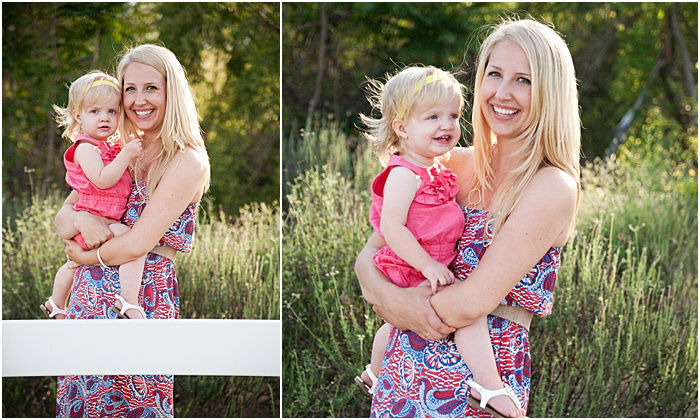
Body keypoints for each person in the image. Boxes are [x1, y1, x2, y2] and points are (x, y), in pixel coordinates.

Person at [355, 18, 580, 418]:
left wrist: (395, 305)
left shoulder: (551, 186)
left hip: (478, 385)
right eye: (494, 74)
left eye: (523, 80)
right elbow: (370, 254)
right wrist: (389, 297)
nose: (502, 93)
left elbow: (472, 302)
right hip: (402, 372)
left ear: (550, 91)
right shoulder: (447, 165)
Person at [353, 66, 524, 417]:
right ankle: (488, 384)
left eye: (453, 115)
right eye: (432, 116)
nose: (446, 125)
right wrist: (427, 265)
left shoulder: (435, 169)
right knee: (469, 318)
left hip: (422, 263)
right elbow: (392, 228)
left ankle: (374, 370)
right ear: (401, 127)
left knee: (395, 325)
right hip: (412, 264)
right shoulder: (404, 174)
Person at [53, 44, 210, 417]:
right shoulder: (114, 150)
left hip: (140, 300)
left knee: (136, 405)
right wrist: (80, 222)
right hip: (87, 299)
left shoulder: (187, 160)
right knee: (84, 404)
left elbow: (139, 242)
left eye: (151, 88)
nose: (139, 100)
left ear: (171, 91)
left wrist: (82, 255)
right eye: (130, 89)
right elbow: (63, 216)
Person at [42, 70, 146, 321]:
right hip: (96, 218)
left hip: (102, 217)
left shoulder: (108, 147)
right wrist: (127, 154)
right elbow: (102, 179)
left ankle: (55, 303)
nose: (105, 118)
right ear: (79, 116)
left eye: (112, 111)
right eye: (95, 112)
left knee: (73, 263)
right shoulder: (85, 148)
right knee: (134, 244)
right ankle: (128, 300)